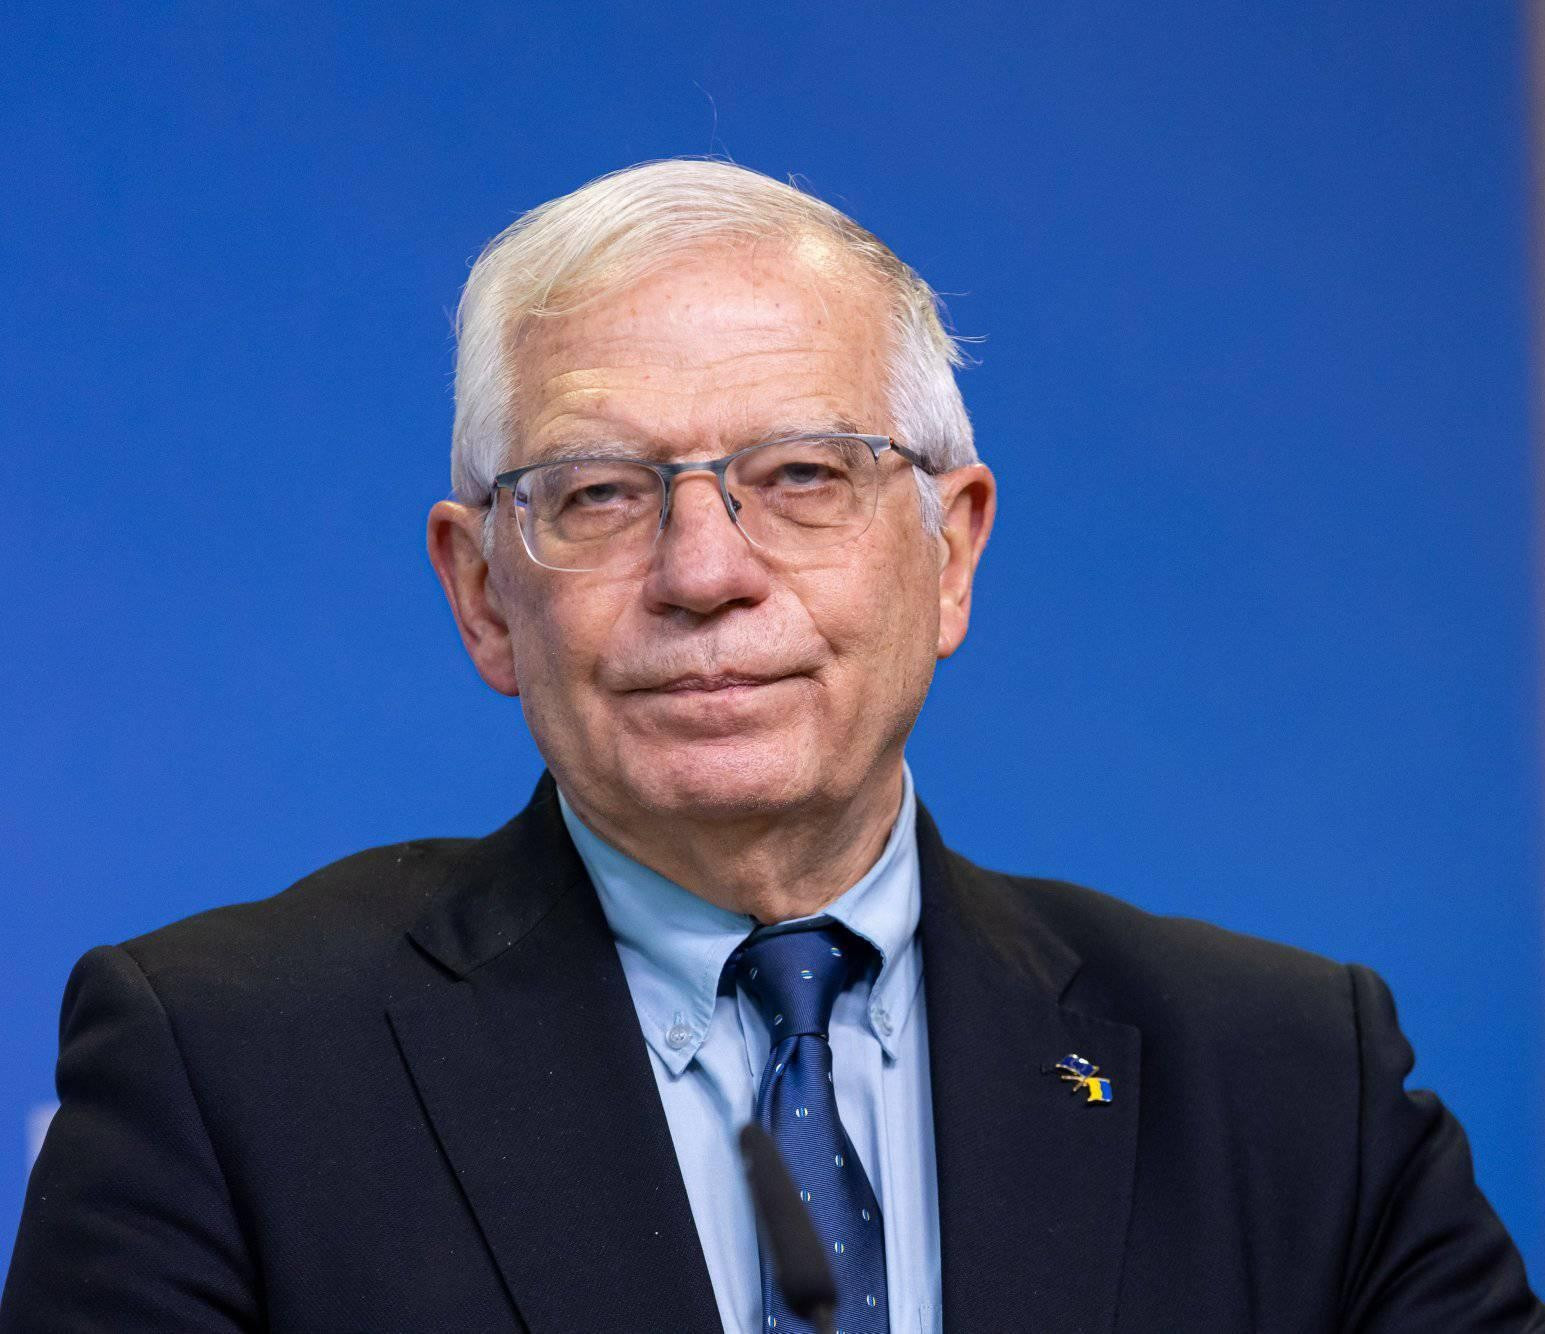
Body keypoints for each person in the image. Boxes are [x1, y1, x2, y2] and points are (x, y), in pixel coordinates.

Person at [2, 159, 1539, 1334]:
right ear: (481, 594)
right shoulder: (224, 1069)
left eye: (802, 474)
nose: (703, 570)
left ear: (950, 552)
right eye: (598, 492)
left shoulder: (1290, 1081)